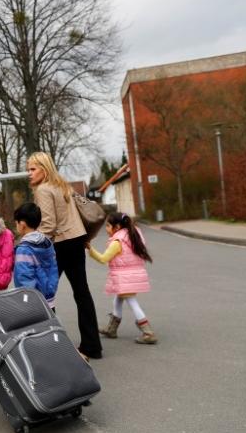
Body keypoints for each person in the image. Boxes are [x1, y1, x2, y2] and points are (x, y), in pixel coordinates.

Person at [27, 151, 103, 360]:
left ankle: (47, 346)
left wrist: (29, 242)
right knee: (82, 293)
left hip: (59, 245)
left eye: (32, 169)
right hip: (76, 241)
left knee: (43, 293)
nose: (29, 173)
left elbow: (49, 225)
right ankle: (92, 346)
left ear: (44, 168)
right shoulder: (63, 185)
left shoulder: (43, 190)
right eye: (28, 169)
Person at [87, 212, 158, 344]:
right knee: (118, 300)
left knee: (132, 302)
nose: (106, 229)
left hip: (125, 277)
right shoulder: (132, 235)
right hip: (132, 274)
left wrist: (90, 249)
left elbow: (103, 259)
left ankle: (148, 332)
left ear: (117, 226)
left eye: (108, 226)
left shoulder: (117, 241)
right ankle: (112, 329)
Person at [13, 202, 60, 311]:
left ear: (23, 224)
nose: (16, 226)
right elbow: (54, 270)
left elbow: (24, 279)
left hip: (33, 304)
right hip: (49, 300)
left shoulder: (23, 249)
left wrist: (25, 302)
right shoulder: (47, 243)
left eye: (16, 223)